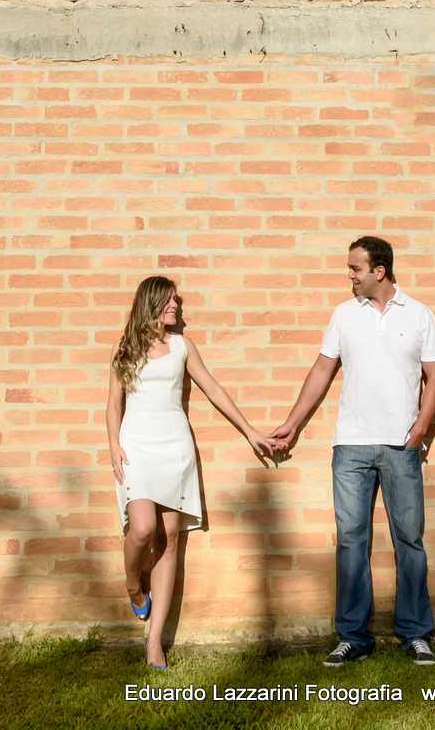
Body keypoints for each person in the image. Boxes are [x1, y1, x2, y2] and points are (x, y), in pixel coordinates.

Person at [270, 236, 435, 667]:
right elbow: (321, 371)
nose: (349, 275)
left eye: (355, 269)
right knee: (351, 541)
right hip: (350, 446)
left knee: (410, 540)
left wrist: (419, 429)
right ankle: (352, 636)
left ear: (378, 271)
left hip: (400, 447)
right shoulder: (344, 315)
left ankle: (416, 634)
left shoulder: (420, 315)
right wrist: (291, 423)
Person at [106, 275, 274, 668]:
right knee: (142, 528)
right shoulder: (123, 347)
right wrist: (113, 443)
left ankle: (154, 641)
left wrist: (249, 430)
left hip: (176, 447)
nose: (176, 307)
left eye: (176, 302)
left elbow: (213, 388)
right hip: (136, 449)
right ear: (150, 302)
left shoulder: (182, 346)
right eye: (169, 301)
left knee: (168, 539)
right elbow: (114, 404)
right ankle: (133, 585)